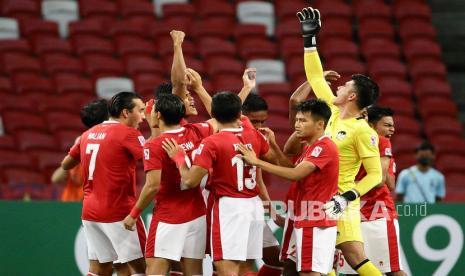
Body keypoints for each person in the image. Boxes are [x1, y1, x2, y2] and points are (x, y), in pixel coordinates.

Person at [297, 7, 383, 275]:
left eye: (344, 87)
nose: (338, 86)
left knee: (354, 254)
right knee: (324, 259)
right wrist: (309, 40)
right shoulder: (333, 113)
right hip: (319, 197)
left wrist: (346, 198)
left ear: (352, 97)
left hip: (341, 198)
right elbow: (314, 76)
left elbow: (375, 175)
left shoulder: (362, 131)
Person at [162, 92, 275, 276]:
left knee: (226, 268)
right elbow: (275, 159)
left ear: (213, 115)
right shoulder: (253, 135)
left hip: (229, 207)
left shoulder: (211, 142)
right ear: (240, 115)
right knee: (249, 266)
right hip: (253, 204)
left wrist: (179, 158)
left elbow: (190, 180)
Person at [239, 99, 339, 275]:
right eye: (297, 120)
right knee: (289, 269)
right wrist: (274, 145)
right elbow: (291, 168)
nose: (297, 125)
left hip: (314, 220)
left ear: (320, 124)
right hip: (300, 217)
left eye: (303, 121)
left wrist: (256, 162)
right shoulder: (310, 146)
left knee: (310, 272)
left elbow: (295, 175)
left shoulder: (324, 147)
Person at [123, 94, 213, 276]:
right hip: (197, 214)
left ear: (159, 116)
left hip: (168, 217)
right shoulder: (197, 131)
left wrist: (133, 215)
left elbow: (152, 186)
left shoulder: (154, 145)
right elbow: (223, 118)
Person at [60, 92, 146, 276]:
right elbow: (150, 160)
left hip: (91, 212)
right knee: (145, 268)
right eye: (141, 111)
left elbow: (65, 164)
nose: (143, 116)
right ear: (125, 112)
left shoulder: (86, 135)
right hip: (119, 211)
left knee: (99, 270)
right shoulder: (128, 133)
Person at [337, 106, 405, 275]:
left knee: (393, 271)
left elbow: (384, 182)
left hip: (378, 215)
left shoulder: (382, 142)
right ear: (372, 125)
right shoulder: (349, 139)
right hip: (352, 215)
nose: (392, 129)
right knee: (354, 271)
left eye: (392, 126)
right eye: (387, 125)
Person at [51, 99, 109, 201]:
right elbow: (55, 178)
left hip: (90, 206)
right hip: (70, 205)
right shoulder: (82, 144)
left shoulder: (103, 149)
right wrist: (74, 156)